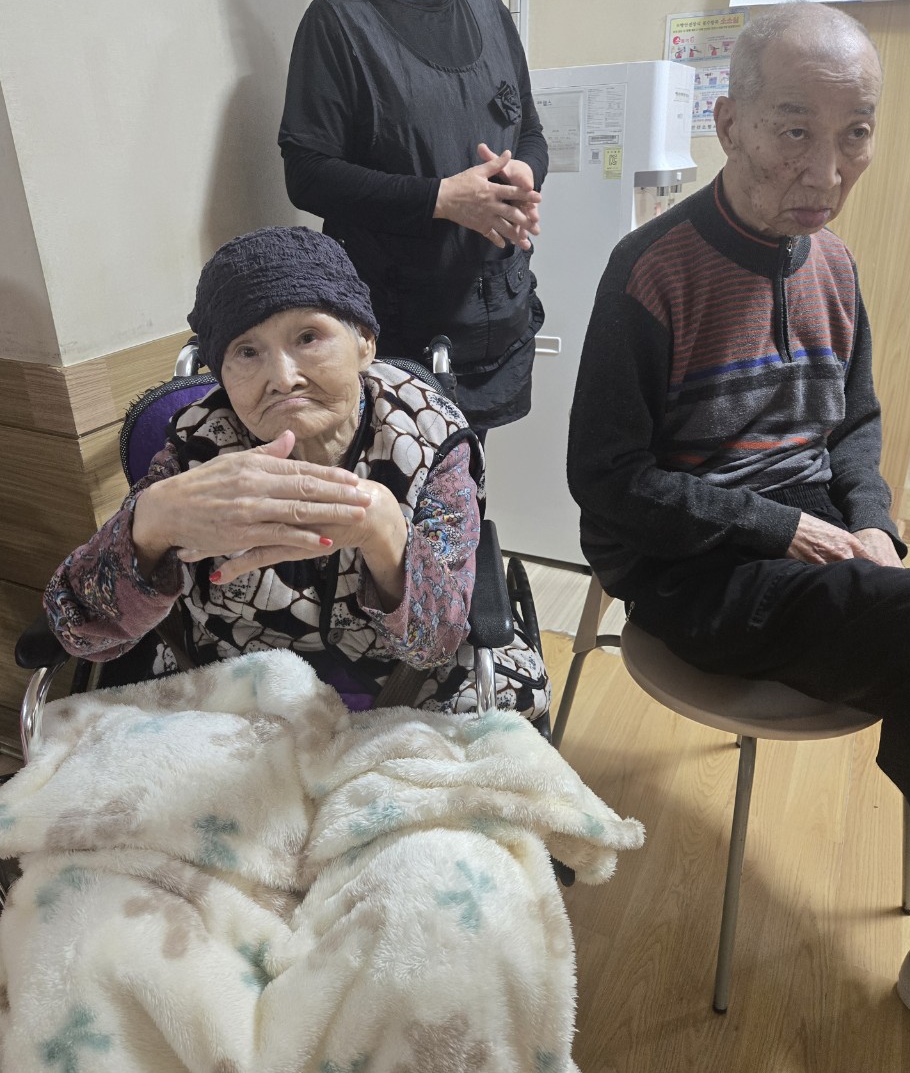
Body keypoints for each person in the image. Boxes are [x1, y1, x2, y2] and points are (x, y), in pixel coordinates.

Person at [566, 3, 910, 1020]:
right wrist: (781, 528)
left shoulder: (837, 266)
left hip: (814, 539)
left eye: (855, 133)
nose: (826, 171)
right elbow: (605, 479)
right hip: (690, 565)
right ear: (729, 125)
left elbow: (856, 423)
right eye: (794, 129)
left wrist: (874, 524)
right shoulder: (651, 270)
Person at [45, 226, 548, 718]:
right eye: (247, 352)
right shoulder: (196, 449)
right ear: (221, 373)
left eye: (309, 337)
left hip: (403, 685)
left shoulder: (432, 440)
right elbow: (77, 629)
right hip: (239, 688)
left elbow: (438, 642)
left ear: (365, 342)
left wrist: (384, 532)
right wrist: (148, 527)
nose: (283, 379)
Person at [277, 0, 547, 436]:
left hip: (495, 314)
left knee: (469, 477)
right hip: (393, 333)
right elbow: (307, 173)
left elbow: (531, 133)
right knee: (397, 481)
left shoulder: (489, 10)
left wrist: (524, 173)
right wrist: (440, 199)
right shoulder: (335, 24)